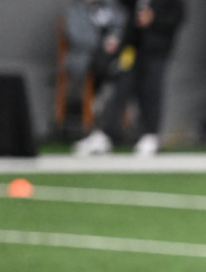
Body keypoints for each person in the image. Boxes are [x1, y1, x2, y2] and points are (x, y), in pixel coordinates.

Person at [73, 0, 185, 157]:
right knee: (122, 86)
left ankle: (150, 135)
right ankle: (106, 134)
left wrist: (155, 17)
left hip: (157, 48)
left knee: (151, 90)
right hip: (133, 46)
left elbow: (178, 15)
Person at [62, 0, 127, 123]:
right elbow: (75, 35)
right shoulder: (75, 9)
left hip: (111, 54)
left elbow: (122, 26)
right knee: (106, 62)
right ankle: (101, 96)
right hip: (83, 56)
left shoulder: (110, 6)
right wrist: (102, 44)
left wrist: (114, 39)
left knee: (123, 64)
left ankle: (103, 97)